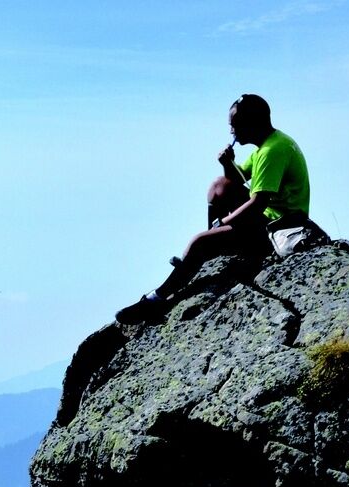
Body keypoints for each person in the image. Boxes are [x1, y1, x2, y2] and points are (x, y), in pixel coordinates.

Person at [116, 94, 311, 323]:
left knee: (199, 242)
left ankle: (156, 299)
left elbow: (258, 203)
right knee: (219, 186)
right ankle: (210, 251)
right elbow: (235, 180)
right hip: (269, 219)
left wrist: (222, 224)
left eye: (235, 125)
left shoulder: (272, 151)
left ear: (253, 123)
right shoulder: (268, 145)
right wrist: (228, 164)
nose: (232, 131)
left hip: (277, 228)